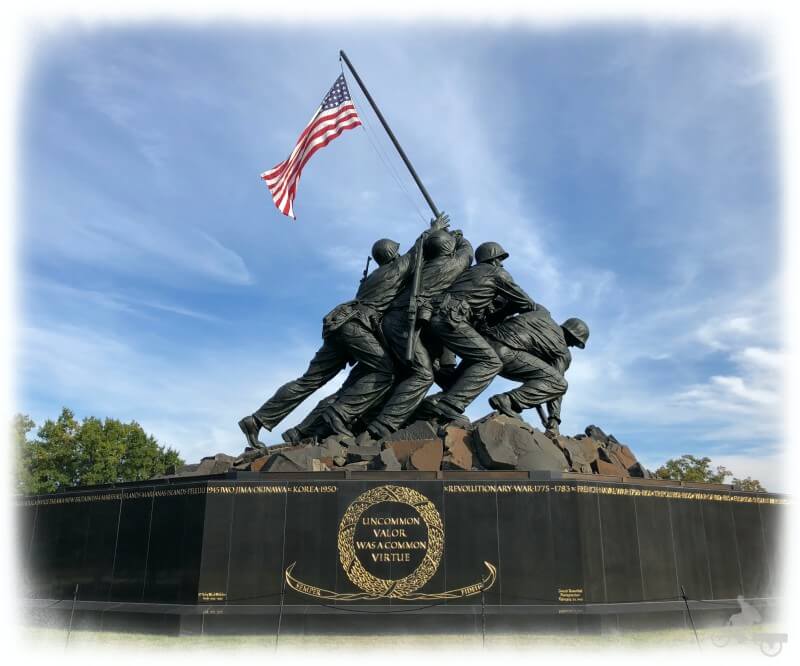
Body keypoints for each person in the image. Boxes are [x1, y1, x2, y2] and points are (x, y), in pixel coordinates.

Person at [238, 215, 449, 449]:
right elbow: (417, 252)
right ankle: (339, 415)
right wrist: (434, 230)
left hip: (338, 323)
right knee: (384, 371)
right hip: (356, 327)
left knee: (309, 380)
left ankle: (257, 420)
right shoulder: (396, 268)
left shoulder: (370, 279)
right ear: (392, 255)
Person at [361, 228, 474, 440]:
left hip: (401, 324)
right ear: (448, 248)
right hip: (404, 323)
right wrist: (460, 238)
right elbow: (467, 253)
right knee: (423, 374)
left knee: (423, 371)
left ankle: (431, 411)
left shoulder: (416, 270)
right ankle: (381, 426)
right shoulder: (450, 265)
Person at [423, 241, 537, 423]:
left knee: (446, 369)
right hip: (452, 318)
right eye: (499, 259)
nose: (501, 264)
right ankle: (450, 405)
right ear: (493, 259)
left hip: (435, 316)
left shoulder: (468, 273)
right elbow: (527, 303)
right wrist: (506, 309)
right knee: (490, 362)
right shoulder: (497, 273)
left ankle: (432, 403)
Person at [484, 309, 589, 436]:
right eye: (575, 342)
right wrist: (554, 418)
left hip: (485, 341)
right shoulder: (563, 352)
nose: (572, 346)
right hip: (505, 354)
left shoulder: (542, 314)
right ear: (572, 336)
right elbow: (555, 384)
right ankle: (508, 400)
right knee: (559, 383)